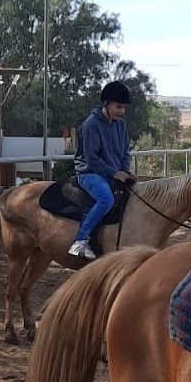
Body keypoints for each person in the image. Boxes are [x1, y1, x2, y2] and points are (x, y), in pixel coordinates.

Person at [68, 81, 136, 259]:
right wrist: (115, 173)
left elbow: (125, 153)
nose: (121, 111)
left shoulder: (121, 125)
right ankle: (80, 241)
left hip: (112, 173)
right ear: (106, 103)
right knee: (106, 199)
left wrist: (126, 171)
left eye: (124, 107)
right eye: (118, 106)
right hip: (89, 173)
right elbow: (92, 159)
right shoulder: (91, 125)